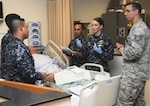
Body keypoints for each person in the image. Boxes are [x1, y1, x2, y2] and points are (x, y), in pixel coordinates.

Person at [1, 13, 54, 84]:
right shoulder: (20, 48)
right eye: (26, 27)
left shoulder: (10, 43)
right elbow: (29, 74)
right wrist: (42, 75)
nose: (28, 30)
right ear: (21, 29)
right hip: (21, 88)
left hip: (9, 85)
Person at [116, 2, 150, 106]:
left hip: (133, 76)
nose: (125, 14)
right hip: (138, 75)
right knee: (138, 103)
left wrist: (121, 49)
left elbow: (133, 54)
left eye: (128, 11)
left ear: (136, 12)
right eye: (124, 11)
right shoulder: (137, 27)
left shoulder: (139, 29)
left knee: (124, 103)